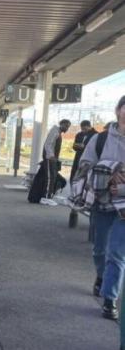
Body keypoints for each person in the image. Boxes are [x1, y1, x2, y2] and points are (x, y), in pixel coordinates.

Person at [79, 96, 125, 321]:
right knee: (100, 250)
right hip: (101, 202)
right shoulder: (100, 139)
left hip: (124, 208)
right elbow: (84, 166)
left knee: (116, 253)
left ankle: (109, 300)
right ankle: (100, 276)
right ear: (118, 110)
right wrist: (109, 172)